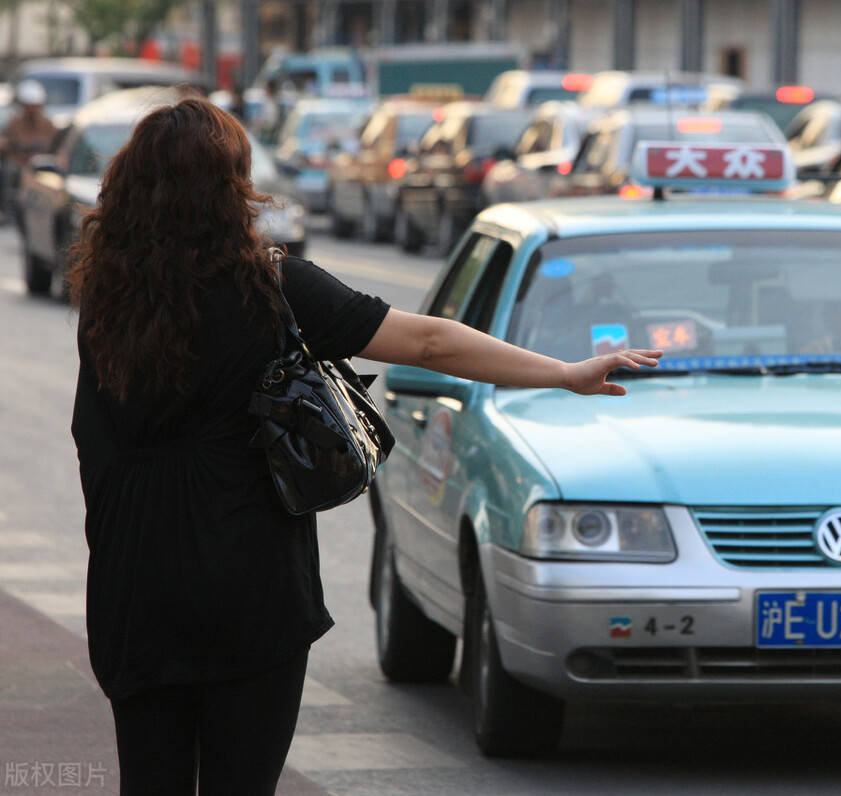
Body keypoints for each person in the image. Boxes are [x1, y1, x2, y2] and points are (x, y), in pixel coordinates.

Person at [67, 97, 660, 795]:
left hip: (136, 584)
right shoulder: (274, 289)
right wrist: (563, 372)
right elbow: (429, 340)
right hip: (250, 586)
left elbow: (92, 440)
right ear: (231, 189)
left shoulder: (107, 300)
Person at [0, 80, 58, 219]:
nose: (31, 110)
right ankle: (7, 208)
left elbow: (55, 146)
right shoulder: (14, 123)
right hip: (18, 164)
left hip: (41, 165)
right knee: (7, 171)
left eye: (34, 106)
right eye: (28, 106)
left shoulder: (47, 124)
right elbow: (5, 143)